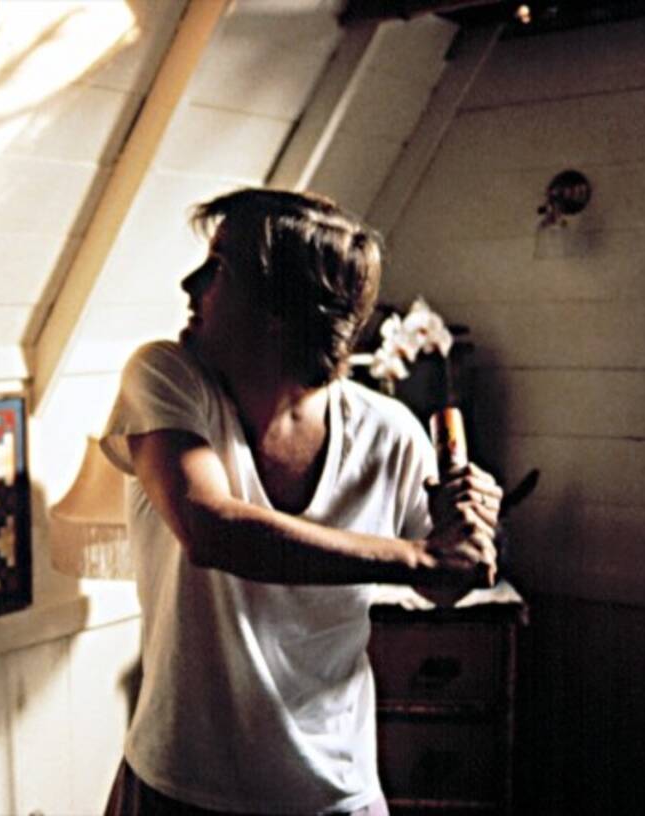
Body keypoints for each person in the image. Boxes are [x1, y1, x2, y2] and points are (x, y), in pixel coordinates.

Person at [99, 189, 502, 815]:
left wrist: (470, 529)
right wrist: (418, 557)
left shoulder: (390, 433)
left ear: (280, 308)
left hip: (333, 795)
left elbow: (446, 585)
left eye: (218, 268)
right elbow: (211, 529)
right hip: (179, 788)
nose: (190, 284)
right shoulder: (167, 381)